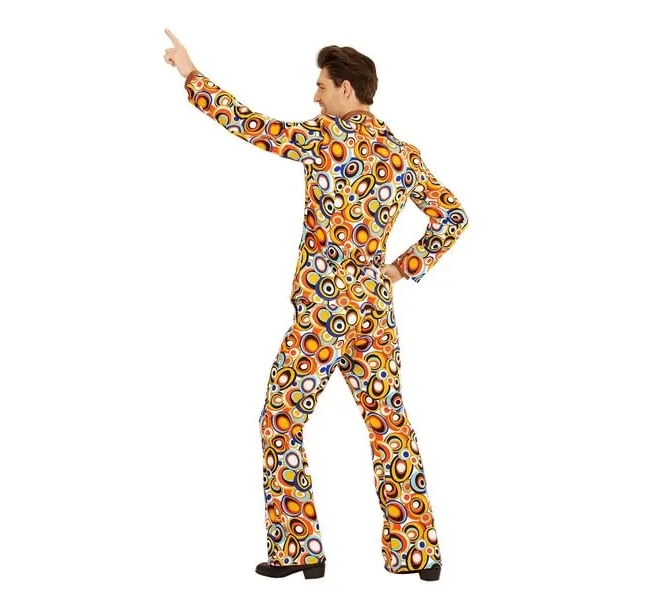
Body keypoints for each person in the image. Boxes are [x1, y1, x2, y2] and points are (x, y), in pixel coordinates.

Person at [164, 28, 469, 581]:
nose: (315, 95)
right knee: (389, 424)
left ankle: (299, 549)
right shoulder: (402, 154)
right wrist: (401, 268)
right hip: (373, 310)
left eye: (322, 86)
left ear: (346, 88)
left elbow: (251, 125)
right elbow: (452, 215)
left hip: (325, 312)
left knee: (280, 418)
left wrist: (191, 74)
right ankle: (418, 554)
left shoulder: (322, 139)